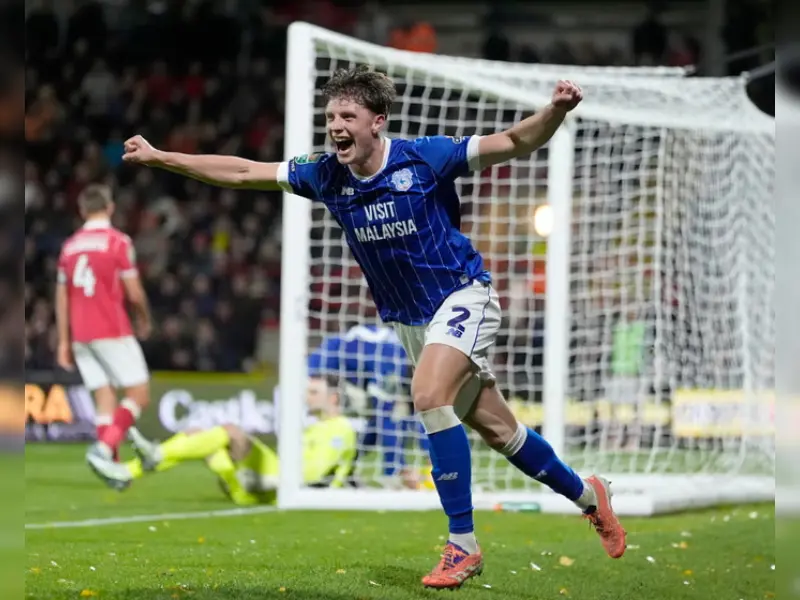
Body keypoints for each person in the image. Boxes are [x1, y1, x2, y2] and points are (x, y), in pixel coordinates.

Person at [121, 66, 626, 590]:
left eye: (347, 115)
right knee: (501, 432)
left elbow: (515, 140)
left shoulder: (424, 157)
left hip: (463, 295)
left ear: (377, 121)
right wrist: (162, 157)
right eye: (330, 116)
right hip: (411, 322)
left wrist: (555, 111)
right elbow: (246, 172)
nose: (335, 125)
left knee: (429, 395)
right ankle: (590, 495)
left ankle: (463, 544)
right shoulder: (325, 174)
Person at [91, 374, 358, 504]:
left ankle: (146, 461)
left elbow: (313, 474)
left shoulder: (340, 429)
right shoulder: (315, 427)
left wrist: (272, 481)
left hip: (286, 487)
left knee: (229, 431)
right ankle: (128, 471)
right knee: (198, 436)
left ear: (333, 398)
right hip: (269, 483)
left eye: (313, 392)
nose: (306, 397)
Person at [55, 183, 153, 485]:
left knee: (104, 397)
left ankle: (112, 469)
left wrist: (63, 340)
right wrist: (144, 319)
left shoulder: (69, 246)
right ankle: (103, 448)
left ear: (82, 210)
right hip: (111, 328)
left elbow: (62, 295)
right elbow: (134, 293)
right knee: (139, 394)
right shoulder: (118, 242)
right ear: (110, 208)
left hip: (81, 334)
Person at [308, 323, 427, 487]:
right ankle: (393, 473)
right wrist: (400, 467)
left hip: (353, 375)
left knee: (386, 419)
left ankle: (349, 468)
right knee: (382, 417)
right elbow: (384, 415)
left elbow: (416, 415)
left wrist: (430, 457)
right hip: (320, 371)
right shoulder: (389, 360)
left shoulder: (400, 354)